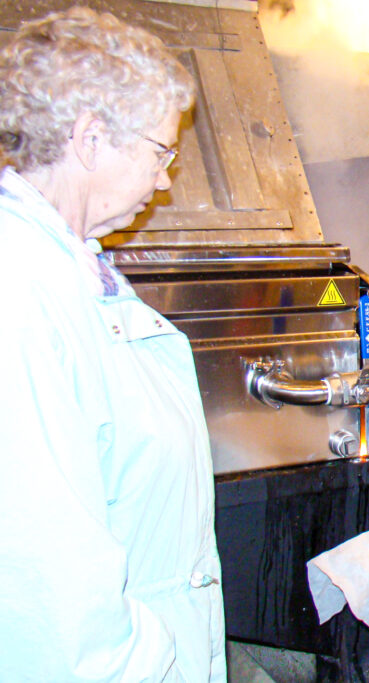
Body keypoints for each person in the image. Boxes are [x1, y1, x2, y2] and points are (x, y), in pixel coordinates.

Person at [0, 6, 226, 680]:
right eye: (161, 152)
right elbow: (50, 588)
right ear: (91, 139)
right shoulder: (20, 290)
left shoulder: (67, 265)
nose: (165, 180)